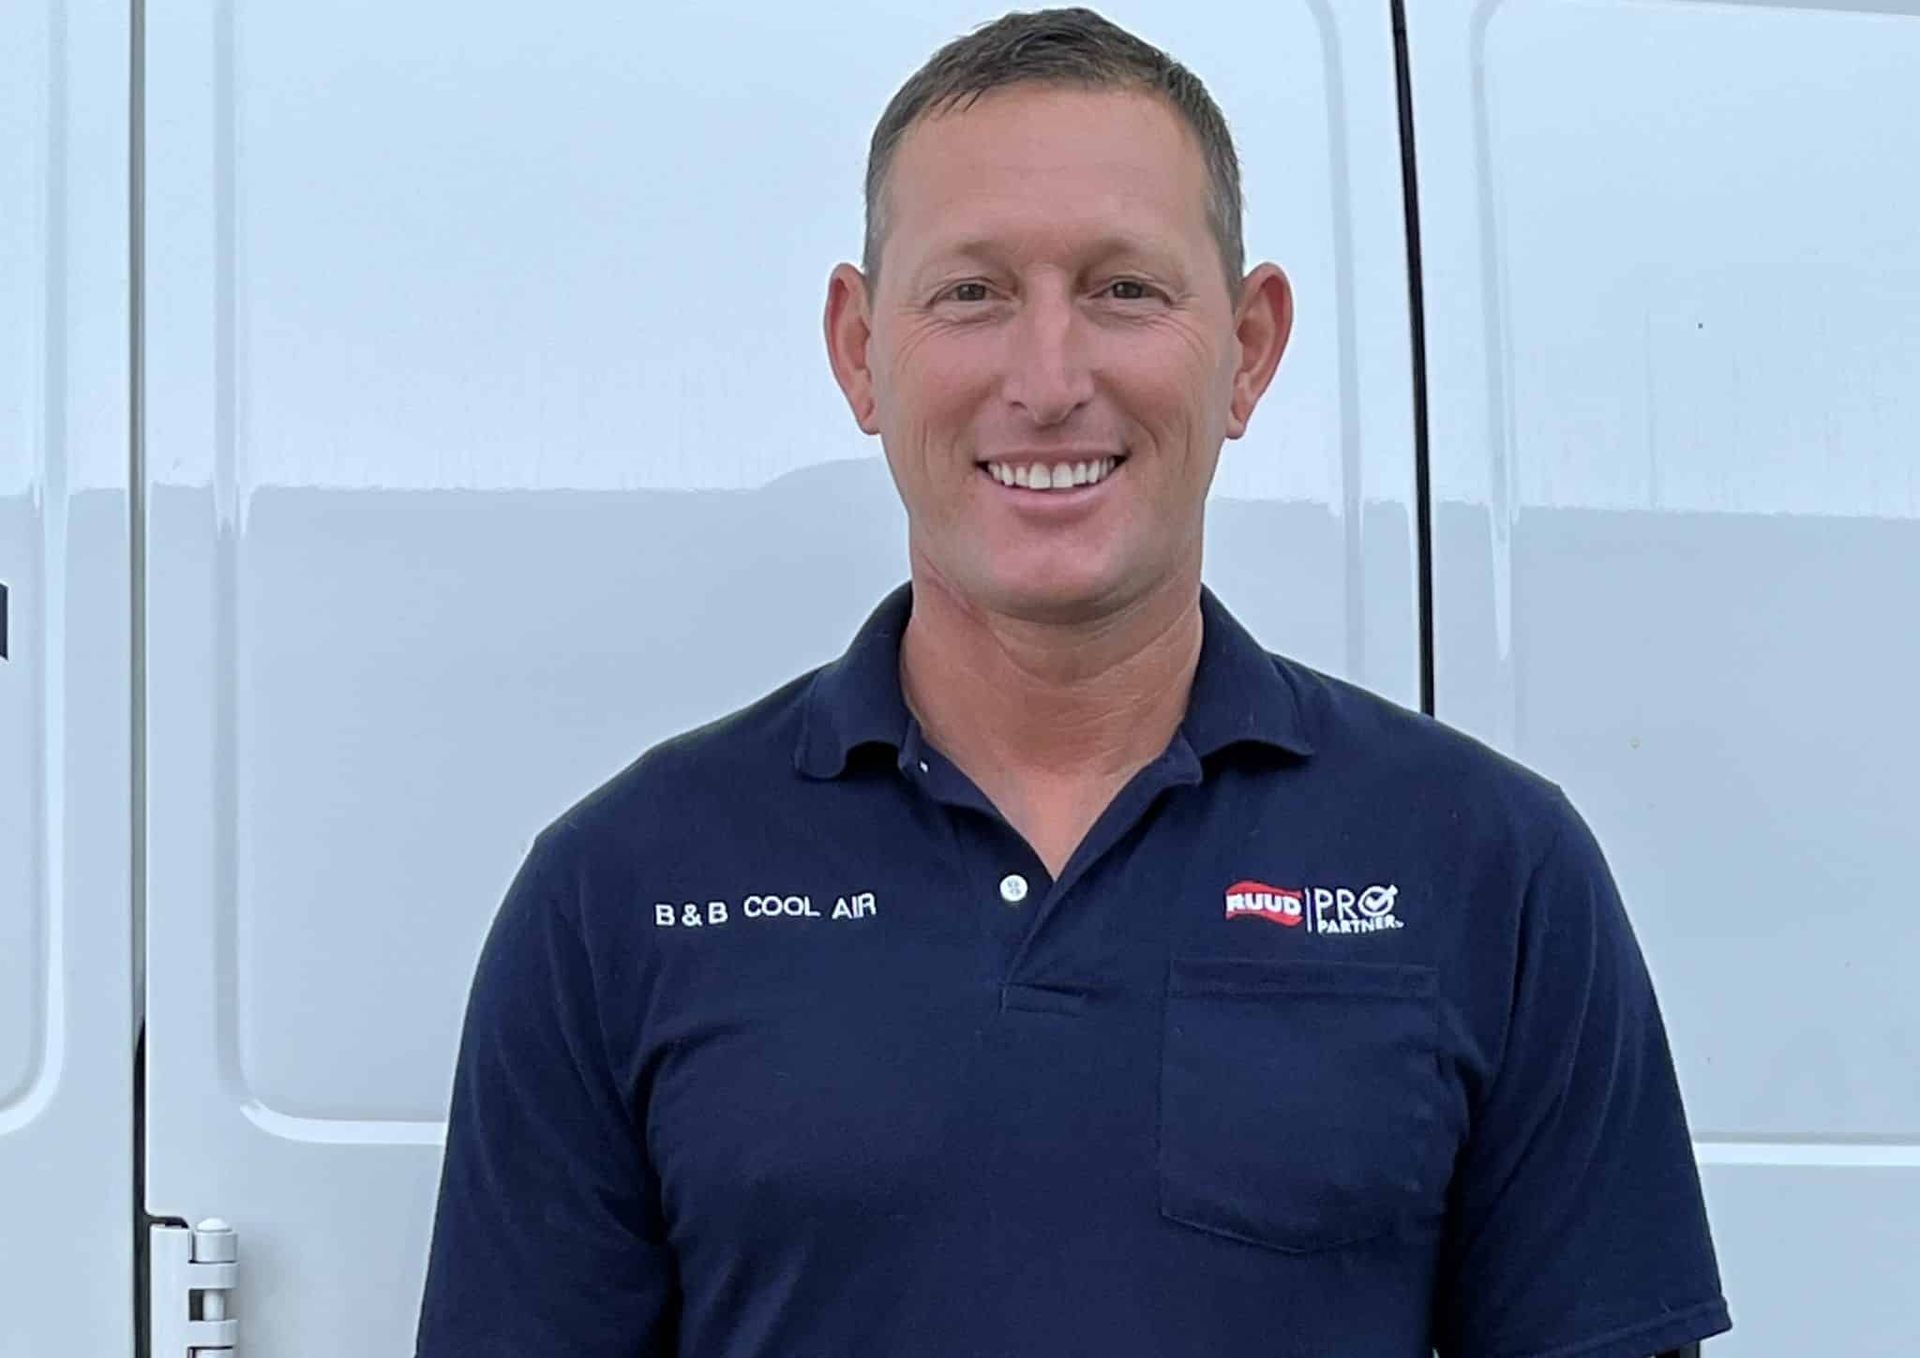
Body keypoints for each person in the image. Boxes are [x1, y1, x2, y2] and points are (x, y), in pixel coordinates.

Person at [414, 8, 1733, 1356]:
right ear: (861, 350)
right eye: (972, 292)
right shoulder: (619, 894)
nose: (1048, 382)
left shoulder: (1491, 869)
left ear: (1250, 347)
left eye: (1125, 290)